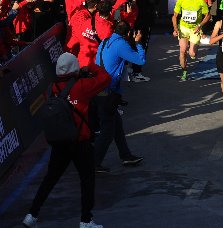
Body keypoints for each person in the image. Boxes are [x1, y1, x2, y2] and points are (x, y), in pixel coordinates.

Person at [22, 53, 111, 228]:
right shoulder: (82, 86)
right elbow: (105, 78)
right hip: (80, 143)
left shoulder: (53, 88)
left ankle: (31, 215)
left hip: (59, 142)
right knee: (87, 179)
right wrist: (90, 67)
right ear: (74, 67)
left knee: (50, 179)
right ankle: (86, 220)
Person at [94, 20, 147, 171]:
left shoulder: (105, 41)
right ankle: (94, 162)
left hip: (100, 89)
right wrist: (138, 43)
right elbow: (140, 60)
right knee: (108, 131)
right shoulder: (121, 44)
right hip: (108, 93)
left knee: (117, 126)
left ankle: (126, 155)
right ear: (128, 33)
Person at [172, 0, 210, 81]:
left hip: (195, 29)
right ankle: (184, 70)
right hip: (183, 28)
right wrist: (175, 28)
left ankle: (193, 53)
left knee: (192, 53)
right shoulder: (181, 0)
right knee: (182, 50)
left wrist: (200, 25)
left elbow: (208, 15)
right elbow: (175, 16)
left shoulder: (201, 1)